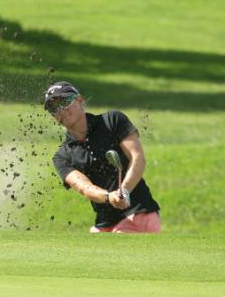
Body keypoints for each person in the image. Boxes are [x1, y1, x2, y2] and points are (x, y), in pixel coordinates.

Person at [44, 81, 162, 233]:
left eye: (64, 102)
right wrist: (108, 196)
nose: (61, 110)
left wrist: (124, 190)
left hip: (137, 214)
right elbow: (84, 188)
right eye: (53, 108)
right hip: (104, 223)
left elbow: (137, 158)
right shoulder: (62, 156)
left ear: (79, 100)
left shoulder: (112, 121)